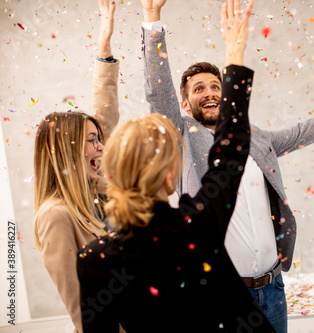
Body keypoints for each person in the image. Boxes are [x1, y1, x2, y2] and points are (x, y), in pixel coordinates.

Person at [140, 1, 314, 330]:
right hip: (219, 296)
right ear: (185, 103)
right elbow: (159, 94)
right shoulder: (181, 135)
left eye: (216, 86)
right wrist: (152, 19)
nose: (211, 93)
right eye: (199, 89)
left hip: (273, 290)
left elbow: (305, 131)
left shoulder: (256, 138)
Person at [77, 1, 276, 332]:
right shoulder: (197, 228)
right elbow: (230, 150)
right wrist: (235, 53)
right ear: (169, 176)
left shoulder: (95, 260)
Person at [32, 1, 120, 332]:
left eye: (100, 138)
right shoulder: (55, 215)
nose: (101, 146)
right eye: (92, 141)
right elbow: (81, 307)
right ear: (66, 152)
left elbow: (105, 113)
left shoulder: (97, 193)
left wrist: (104, 47)